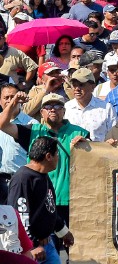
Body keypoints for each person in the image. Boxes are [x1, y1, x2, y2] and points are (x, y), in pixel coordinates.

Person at [0, 92, 88, 236]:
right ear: (41, 112)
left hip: (72, 202)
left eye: (58, 106)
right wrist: (14, 102)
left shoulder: (80, 133)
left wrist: (91, 146)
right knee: (45, 248)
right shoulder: (32, 131)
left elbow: (95, 160)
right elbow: (2, 125)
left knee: (75, 251)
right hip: (41, 201)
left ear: (64, 111)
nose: (53, 109)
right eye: (48, 106)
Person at [7, 137, 73, 264]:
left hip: (48, 245)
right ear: (48, 156)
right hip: (32, 251)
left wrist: (63, 232)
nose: (58, 158)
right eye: (57, 154)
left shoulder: (43, 175)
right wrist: (31, 247)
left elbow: (49, 208)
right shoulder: (23, 179)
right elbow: (20, 216)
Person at [62, 68, 116, 142]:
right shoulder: (66, 108)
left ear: (93, 86)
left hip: (99, 152)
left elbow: (114, 135)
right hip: (73, 152)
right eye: (74, 85)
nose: (77, 89)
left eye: (81, 85)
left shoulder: (106, 108)